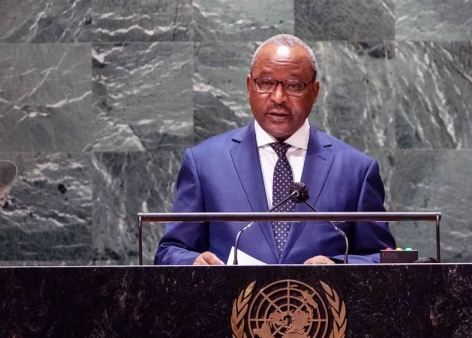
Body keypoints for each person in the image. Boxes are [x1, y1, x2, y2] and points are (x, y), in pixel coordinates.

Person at [154, 34, 395, 265]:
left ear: (314, 92)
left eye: (293, 85)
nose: (278, 97)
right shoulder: (204, 163)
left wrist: (337, 265)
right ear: (249, 86)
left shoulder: (356, 170)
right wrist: (193, 262)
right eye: (266, 83)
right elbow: (169, 252)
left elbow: (382, 257)